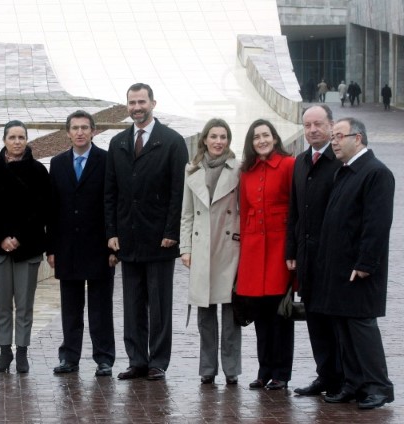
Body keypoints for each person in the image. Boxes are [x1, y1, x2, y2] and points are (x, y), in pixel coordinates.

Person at [105, 82, 188, 381]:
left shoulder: (173, 142)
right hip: (128, 236)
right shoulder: (118, 143)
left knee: (159, 304)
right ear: (126, 106)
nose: (137, 107)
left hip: (160, 238)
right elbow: (110, 192)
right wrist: (111, 231)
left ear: (153, 103)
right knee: (132, 303)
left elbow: (179, 192)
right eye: (132, 103)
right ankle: (137, 360)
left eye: (142, 102)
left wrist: (172, 231)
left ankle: (158, 361)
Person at [313, 117, 395, 409]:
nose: (333, 141)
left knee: (362, 328)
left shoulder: (376, 173)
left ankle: (379, 386)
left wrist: (365, 264)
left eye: (339, 136)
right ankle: (354, 383)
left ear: (357, 138)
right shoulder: (346, 172)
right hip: (337, 269)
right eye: (333, 136)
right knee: (343, 327)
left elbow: (377, 224)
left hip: (358, 270)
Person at [47, 110, 117, 377]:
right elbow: (53, 208)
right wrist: (51, 248)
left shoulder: (107, 160)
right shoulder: (58, 162)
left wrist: (114, 246)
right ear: (68, 132)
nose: (79, 132)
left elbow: (113, 202)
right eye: (74, 128)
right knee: (71, 308)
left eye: (84, 128)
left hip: (99, 247)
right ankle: (69, 357)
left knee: (101, 308)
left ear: (93, 131)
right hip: (68, 248)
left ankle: (104, 358)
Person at [0, 120, 50, 374]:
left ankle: (22, 351)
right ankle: (4, 351)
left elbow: (41, 209)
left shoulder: (38, 172)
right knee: (1, 304)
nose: (17, 142)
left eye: (21, 137)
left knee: (24, 304)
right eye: (12, 137)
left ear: (27, 140)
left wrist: (19, 236)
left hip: (27, 247)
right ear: (4, 140)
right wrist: (2, 237)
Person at [286, 105, 343, 397]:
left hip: (333, 257)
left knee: (335, 321)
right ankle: (325, 375)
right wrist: (291, 250)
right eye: (307, 125)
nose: (312, 130)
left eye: (318, 124)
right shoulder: (300, 162)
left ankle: (342, 379)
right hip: (306, 257)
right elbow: (294, 211)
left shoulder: (341, 162)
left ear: (331, 125)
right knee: (315, 320)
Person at [180, 118, 241, 385]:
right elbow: (186, 214)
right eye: (214, 136)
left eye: (223, 137)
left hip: (229, 247)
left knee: (231, 314)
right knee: (205, 314)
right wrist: (185, 248)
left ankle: (231, 369)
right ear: (204, 139)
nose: (218, 142)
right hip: (202, 246)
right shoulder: (191, 171)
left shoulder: (238, 169)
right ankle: (207, 368)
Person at [236, 119, 295, 390]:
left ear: (274, 138)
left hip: (279, 249)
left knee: (280, 314)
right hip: (253, 251)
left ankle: (281, 372)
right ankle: (264, 370)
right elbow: (244, 210)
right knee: (260, 315)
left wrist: (293, 250)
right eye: (256, 136)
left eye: (265, 135)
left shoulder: (288, 165)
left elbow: (295, 211)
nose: (261, 140)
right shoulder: (246, 171)